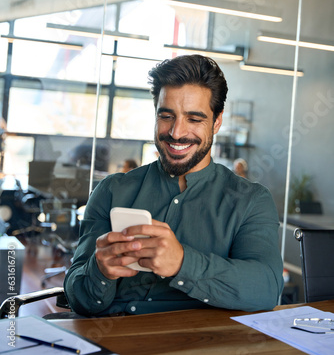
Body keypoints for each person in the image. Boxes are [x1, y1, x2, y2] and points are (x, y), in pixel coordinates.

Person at [64, 54, 283, 316]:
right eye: (166, 116)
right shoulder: (111, 191)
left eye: (194, 119)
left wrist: (182, 263)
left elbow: (267, 290)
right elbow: (79, 299)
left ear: (217, 122)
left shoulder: (251, 200)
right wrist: (99, 271)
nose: (177, 132)